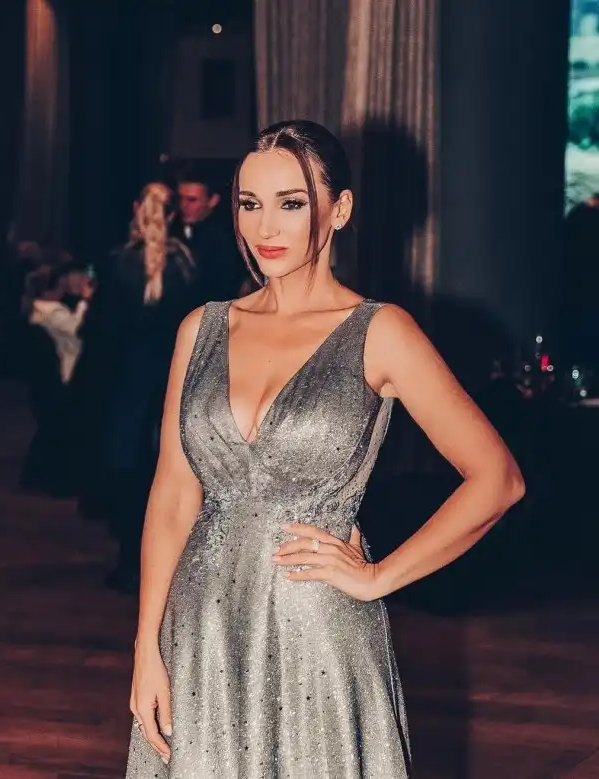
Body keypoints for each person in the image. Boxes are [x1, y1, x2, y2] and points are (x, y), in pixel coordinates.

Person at [125, 121, 525, 777]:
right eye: (250, 203)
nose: (265, 226)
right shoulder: (201, 328)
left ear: (339, 210)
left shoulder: (380, 331)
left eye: (291, 202)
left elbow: (497, 478)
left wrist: (379, 575)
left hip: (315, 629)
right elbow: (172, 494)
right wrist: (147, 646)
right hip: (199, 628)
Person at [77, 182, 197, 593]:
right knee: (165, 475)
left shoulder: (117, 263)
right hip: (171, 382)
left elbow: (101, 333)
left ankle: (131, 563)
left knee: (130, 477)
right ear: (173, 215)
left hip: (126, 384)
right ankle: (164, 566)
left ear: (135, 209)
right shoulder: (186, 264)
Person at [170, 163, 247, 301]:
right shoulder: (170, 229)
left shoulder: (227, 239)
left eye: (192, 200)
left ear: (213, 200)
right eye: (180, 198)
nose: (183, 205)